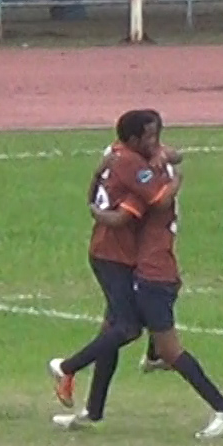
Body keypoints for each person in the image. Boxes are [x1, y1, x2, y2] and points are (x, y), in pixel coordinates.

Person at [63, 111, 223, 440]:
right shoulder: (151, 167)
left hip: (154, 273)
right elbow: (171, 158)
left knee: (168, 347)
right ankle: (94, 409)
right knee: (112, 329)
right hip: (146, 269)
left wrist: (98, 209)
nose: (154, 142)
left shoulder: (146, 182)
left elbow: (148, 202)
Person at [47, 109, 178, 429]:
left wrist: (163, 155)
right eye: (150, 136)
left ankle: (93, 412)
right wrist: (176, 180)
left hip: (118, 253)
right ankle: (67, 367)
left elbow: (97, 192)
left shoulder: (117, 153)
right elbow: (158, 200)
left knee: (112, 330)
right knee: (128, 327)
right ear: (133, 138)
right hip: (114, 255)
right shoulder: (133, 164)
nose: (156, 141)